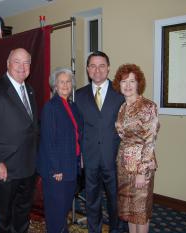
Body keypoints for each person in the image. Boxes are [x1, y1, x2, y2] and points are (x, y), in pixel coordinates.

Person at [0, 48, 38, 233]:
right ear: (8, 63)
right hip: (5, 167)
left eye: (26, 62)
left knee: (22, 212)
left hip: (28, 167)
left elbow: (32, 128)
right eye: (17, 61)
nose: (22, 66)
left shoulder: (29, 89)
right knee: (3, 216)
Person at [75, 51, 125, 233]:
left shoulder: (120, 93)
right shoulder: (78, 95)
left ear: (108, 68)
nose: (97, 70)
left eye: (102, 65)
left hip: (114, 158)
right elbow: (77, 129)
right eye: (93, 66)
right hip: (89, 158)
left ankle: (116, 230)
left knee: (115, 200)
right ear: (88, 70)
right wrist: (78, 154)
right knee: (92, 199)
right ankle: (94, 230)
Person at [113, 64, 160, 233]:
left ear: (138, 83)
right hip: (125, 165)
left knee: (140, 211)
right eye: (124, 81)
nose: (127, 85)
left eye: (132, 81)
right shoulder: (122, 107)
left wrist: (141, 170)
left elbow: (150, 140)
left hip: (142, 165)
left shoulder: (148, 106)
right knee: (129, 211)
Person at [37, 68, 82, 233]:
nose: (65, 84)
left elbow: (76, 135)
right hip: (57, 170)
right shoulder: (51, 107)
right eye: (61, 81)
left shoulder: (71, 106)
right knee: (56, 213)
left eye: (68, 81)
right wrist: (56, 168)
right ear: (54, 85)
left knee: (63, 210)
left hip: (71, 166)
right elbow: (48, 141)